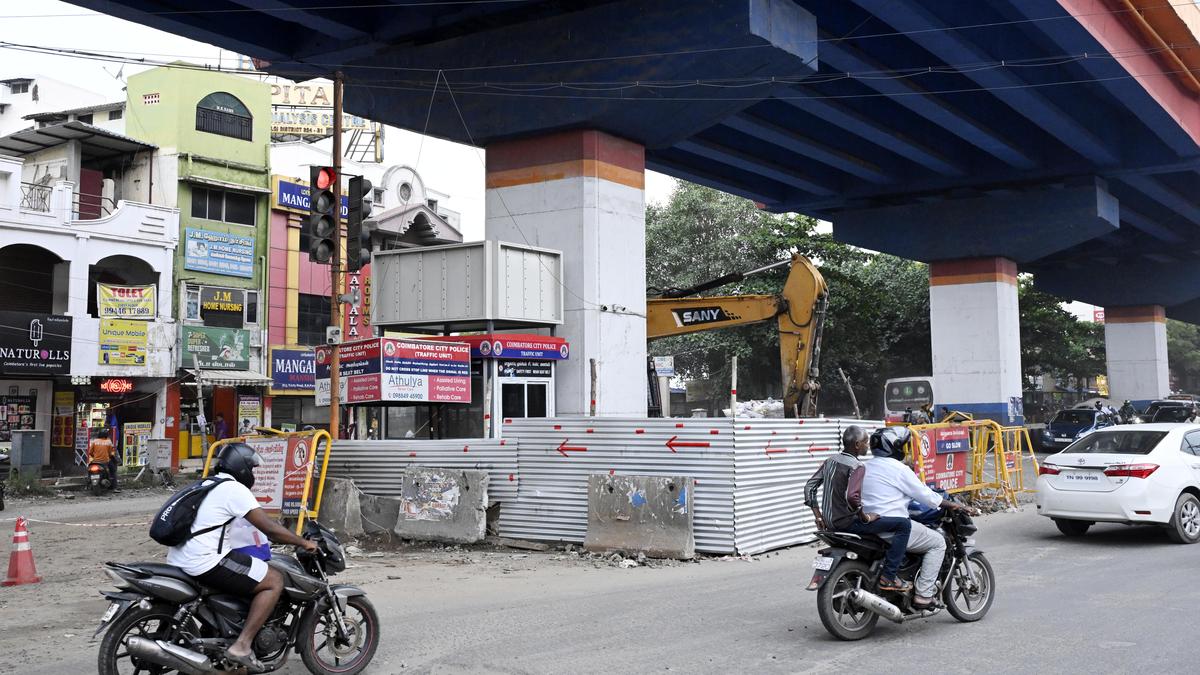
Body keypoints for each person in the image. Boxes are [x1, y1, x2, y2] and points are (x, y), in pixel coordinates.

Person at [166, 443, 317, 672]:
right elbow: (270, 528)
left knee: (245, 573)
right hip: (206, 561)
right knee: (274, 580)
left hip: (180, 558)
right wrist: (303, 542)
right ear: (243, 468)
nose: (254, 474)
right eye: (252, 469)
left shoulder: (208, 484)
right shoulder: (234, 489)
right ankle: (243, 646)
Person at [861, 426, 973, 609]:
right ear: (895, 447)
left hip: (869, 525)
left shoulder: (864, 466)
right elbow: (926, 496)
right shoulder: (898, 469)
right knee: (938, 542)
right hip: (892, 527)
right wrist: (952, 504)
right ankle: (924, 595)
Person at [805, 425, 913, 592]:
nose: (867, 446)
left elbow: (809, 487)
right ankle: (889, 576)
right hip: (848, 523)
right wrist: (865, 517)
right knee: (903, 525)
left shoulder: (830, 461)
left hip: (829, 524)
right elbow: (852, 497)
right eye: (865, 442)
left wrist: (818, 516)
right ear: (856, 445)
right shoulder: (857, 466)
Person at [87, 427, 120, 493]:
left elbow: (90, 452)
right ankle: (114, 487)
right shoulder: (108, 442)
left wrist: (94, 457)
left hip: (95, 461)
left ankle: (88, 484)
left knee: (89, 470)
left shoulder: (94, 441)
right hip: (105, 462)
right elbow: (111, 453)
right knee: (113, 471)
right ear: (106, 435)